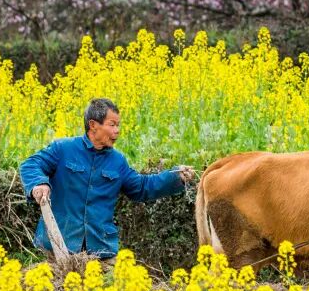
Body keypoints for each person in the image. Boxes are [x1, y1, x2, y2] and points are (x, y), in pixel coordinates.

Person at [20, 98, 196, 260]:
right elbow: (30, 164)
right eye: (112, 125)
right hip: (58, 247)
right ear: (93, 125)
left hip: (100, 250)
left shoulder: (118, 161)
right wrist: (38, 183)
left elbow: (142, 187)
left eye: (118, 125)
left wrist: (175, 176)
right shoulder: (63, 149)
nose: (117, 131)